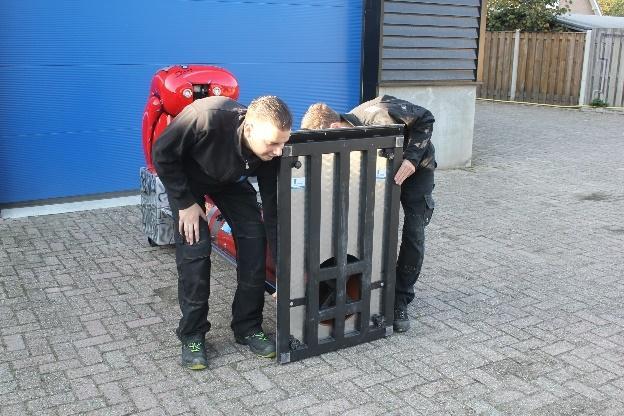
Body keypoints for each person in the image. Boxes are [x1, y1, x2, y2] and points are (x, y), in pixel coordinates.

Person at [153, 95, 291, 369]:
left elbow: (273, 213)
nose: (278, 151)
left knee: (255, 238)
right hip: (188, 181)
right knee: (196, 249)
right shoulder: (206, 118)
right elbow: (162, 153)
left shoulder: (273, 153)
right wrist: (184, 202)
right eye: (273, 143)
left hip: (229, 181)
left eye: (283, 143)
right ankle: (192, 334)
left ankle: (248, 326)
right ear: (249, 129)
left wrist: (281, 275)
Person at [300, 96, 435, 333]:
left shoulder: (379, 114)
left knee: (414, 234)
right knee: (372, 229)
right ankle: (374, 289)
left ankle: (400, 299)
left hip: (414, 170)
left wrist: (411, 160)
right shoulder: (350, 134)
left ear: (333, 127)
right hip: (383, 171)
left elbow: (426, 117)